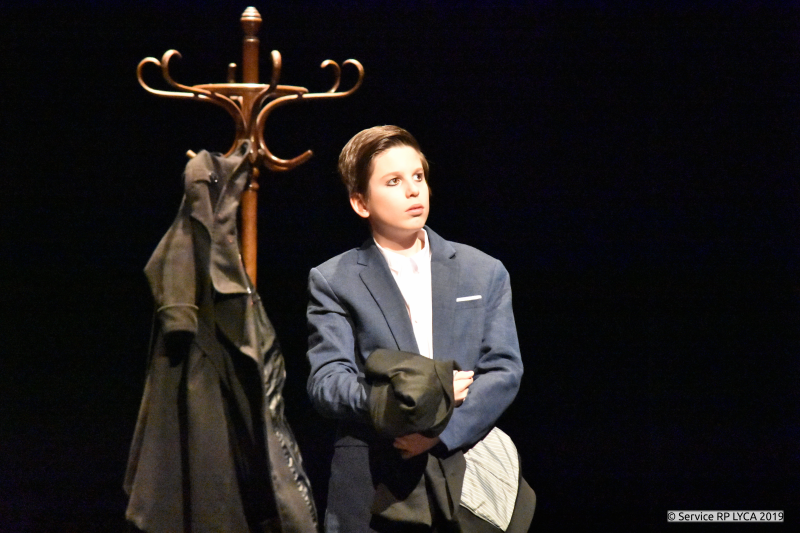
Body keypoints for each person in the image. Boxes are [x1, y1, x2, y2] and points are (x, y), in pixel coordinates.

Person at [306, 125, 525, 532]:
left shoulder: (483, 271)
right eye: (393, 181)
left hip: (460, 465)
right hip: (373, 478)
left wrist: (441, 432)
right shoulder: (334, 279)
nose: (413, 191)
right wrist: (414, 402)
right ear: (360, 202)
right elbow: (327, 381)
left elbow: (504, 369)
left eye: (418, 177)